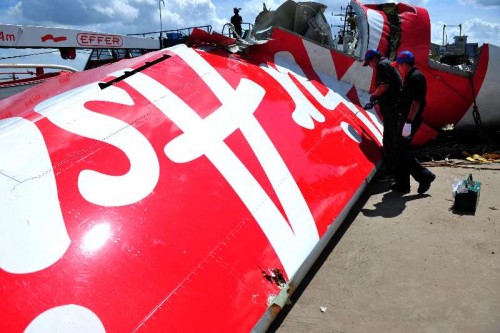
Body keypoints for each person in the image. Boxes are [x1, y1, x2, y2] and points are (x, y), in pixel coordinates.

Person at [391, 50, 436, 194]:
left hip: (411, 119)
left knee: (402, 150)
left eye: (399, 65)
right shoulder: (410, 76)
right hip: (407, 118)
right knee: (400, 150)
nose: (398, 68)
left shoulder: (416, 78)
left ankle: (424, 176)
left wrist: (408, 123)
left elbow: (416, 102)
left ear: (405, 64)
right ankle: (402, 184)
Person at [363, 48, 402, 181]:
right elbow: (390, 87)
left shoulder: (381, 65)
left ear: (374, 59)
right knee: (392, 139)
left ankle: (391, 172)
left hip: (392, 109)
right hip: (395, 108)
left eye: (369, 63)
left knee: (389, 141)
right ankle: (395, 171)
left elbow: (384, 86)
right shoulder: (387, 63)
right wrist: (378, 99)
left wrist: (374, 96)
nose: (370, 66)